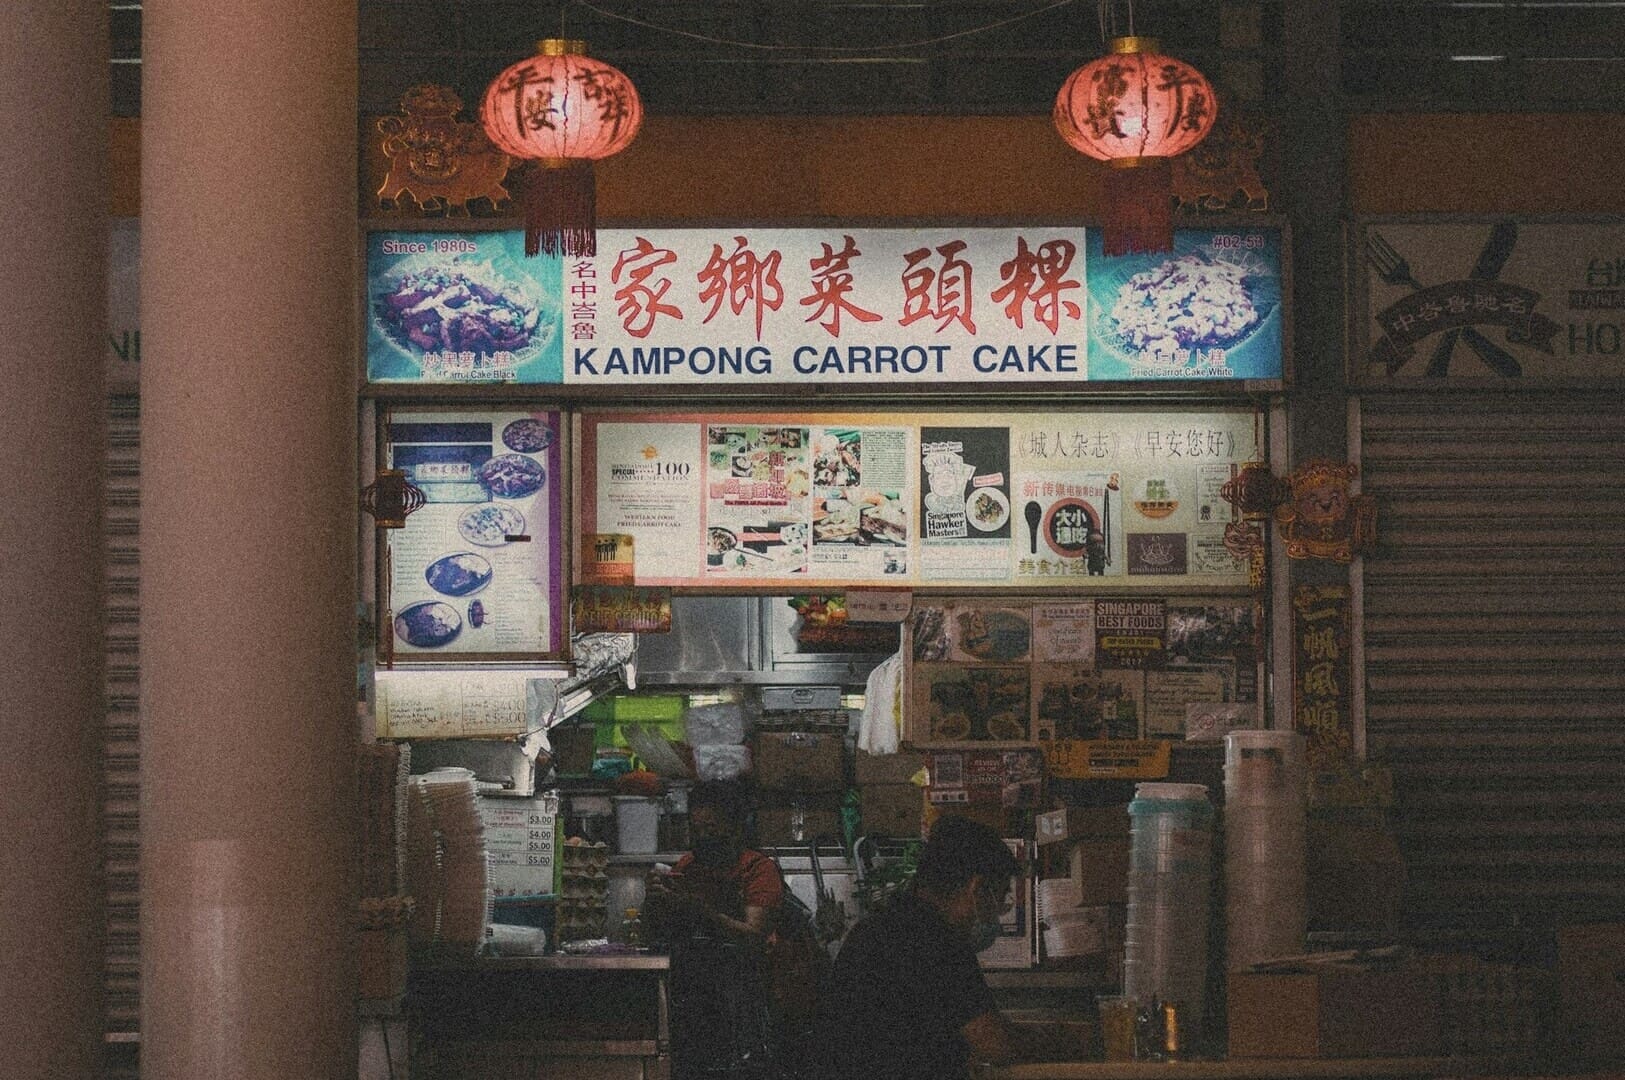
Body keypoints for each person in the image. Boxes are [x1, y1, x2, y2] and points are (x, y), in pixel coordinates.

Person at [813, 814, 1079, 1080]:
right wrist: (1057, 1043)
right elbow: (997, 1045)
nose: (994, 915)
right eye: (998, 900)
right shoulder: (937, 941)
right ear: (976, 889)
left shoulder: (880, 927)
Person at [645, 780, 787, 1080]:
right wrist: (656, 901)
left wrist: (697, 909)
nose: (703, 837)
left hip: (745, 1005)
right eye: (697, 829)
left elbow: (753, 936)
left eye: (712, 829)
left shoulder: (757, 869)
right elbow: (658, 932)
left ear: (735, 828)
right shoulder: (689, 866)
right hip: (696, 1002)